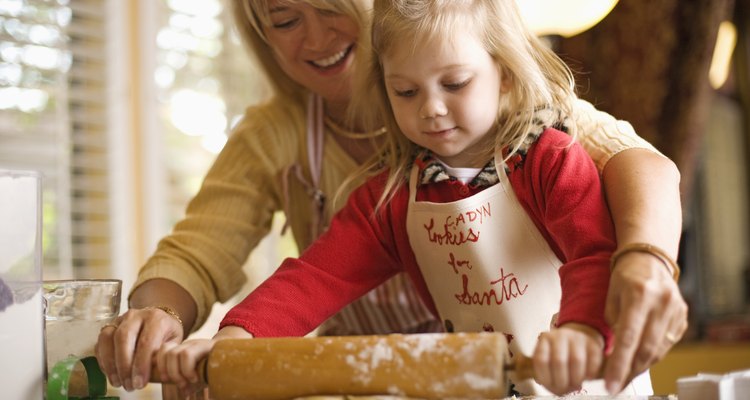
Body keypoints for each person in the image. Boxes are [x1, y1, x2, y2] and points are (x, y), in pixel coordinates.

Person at [95, 0, 687, 395]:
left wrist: (585, 333)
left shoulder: (551, 155)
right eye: (405, 92)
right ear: (387, 88)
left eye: (454, 85)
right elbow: (317, 276)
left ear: (503, 76)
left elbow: (595, 250)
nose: (431, 108)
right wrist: (234, 342)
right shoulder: (396, 193)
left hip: (579, 375)